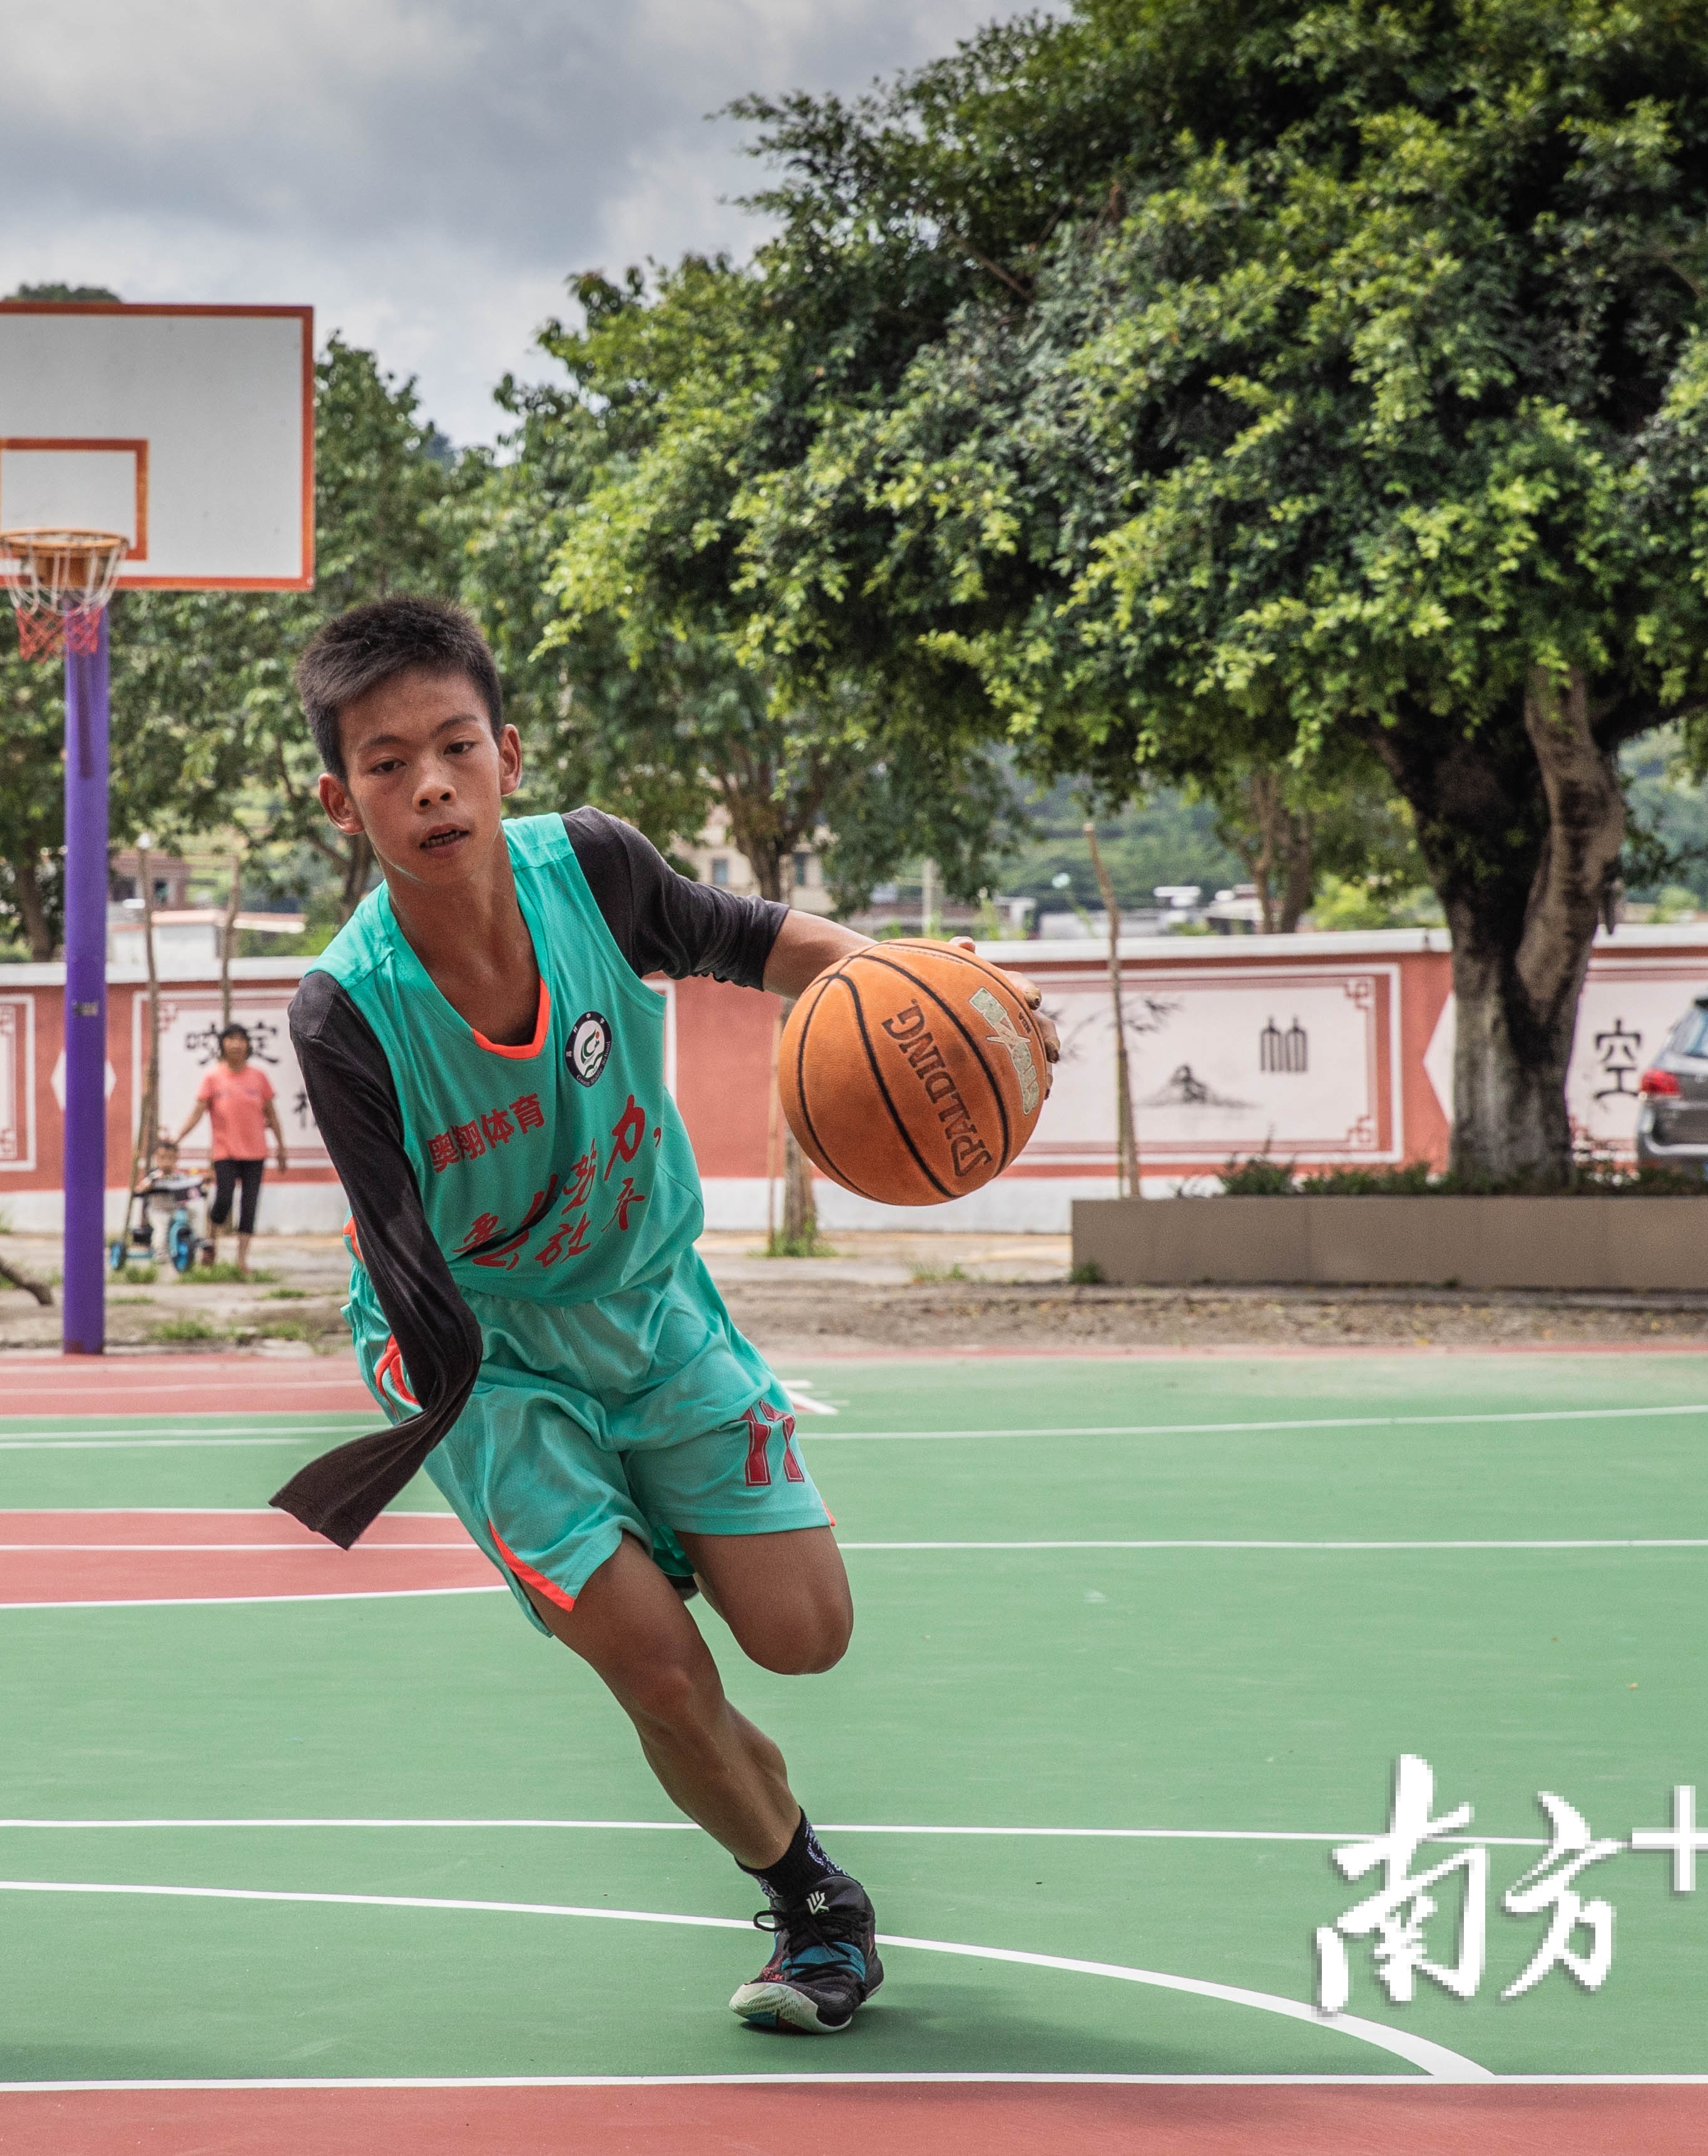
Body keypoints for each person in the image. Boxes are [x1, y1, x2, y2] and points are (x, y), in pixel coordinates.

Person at [268, 597, 1053, 2036]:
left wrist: (966, 1000)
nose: (428, 784)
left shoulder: (593, 873)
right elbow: (401, 1259)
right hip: (478, 1359)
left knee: (804, 1634)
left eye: (452, 747)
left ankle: (667, 1535)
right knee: (657, 1668)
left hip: (646, 1301)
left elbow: (769, 948)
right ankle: (812, 1902)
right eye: (386, 764)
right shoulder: (344, 1014)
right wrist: (443, 1447)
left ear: (504, 752)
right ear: (340, 800)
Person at [172, 1024, 288, 1275]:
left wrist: (281, 1147)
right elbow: (197, 1113)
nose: (236, 1044)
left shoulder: (259, 1077)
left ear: (248, 1045)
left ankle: (241, 1261)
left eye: (241, 1039)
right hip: (225, 1152)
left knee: (249, 1204)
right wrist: (177, 1139)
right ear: (222, 1045)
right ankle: (210, 1246)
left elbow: (272, 1115)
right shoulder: (213, 1077)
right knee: (223, 1199)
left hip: (256, 1153)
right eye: (231, 1039)